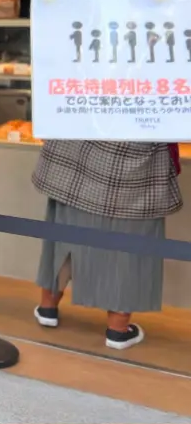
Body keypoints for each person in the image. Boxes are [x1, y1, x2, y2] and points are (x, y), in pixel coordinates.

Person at [32, 140, 182, 350]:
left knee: (66, 229)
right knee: (130, 241)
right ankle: (117, 329)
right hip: (135, 155)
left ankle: (48, 308)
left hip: (76, 146)